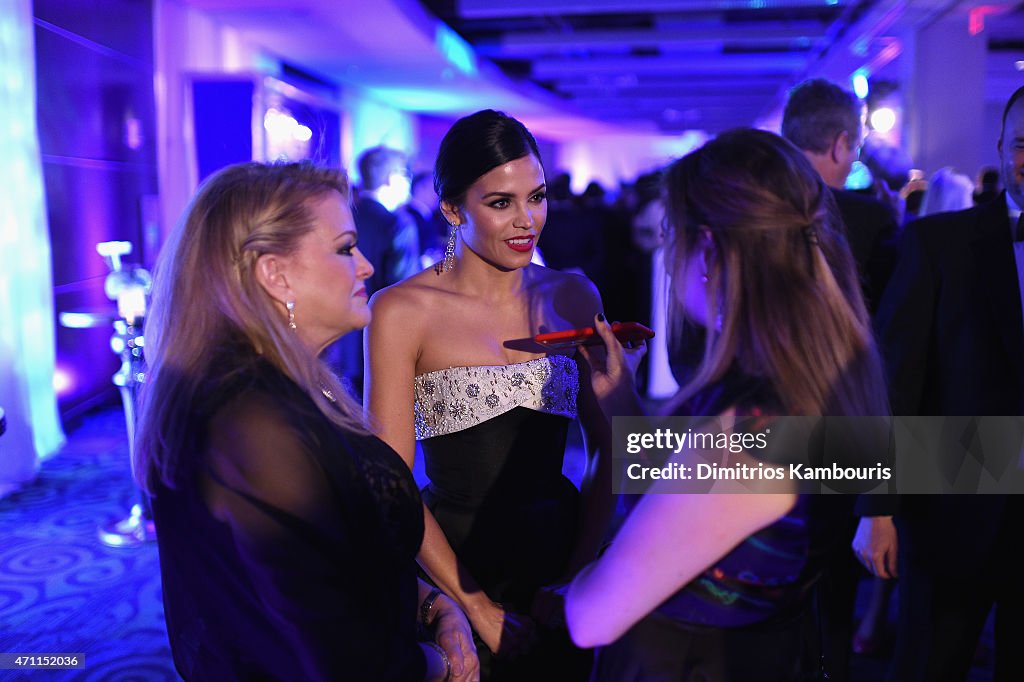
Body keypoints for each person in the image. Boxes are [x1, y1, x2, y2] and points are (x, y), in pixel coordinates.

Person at [564, 128, 890, 681]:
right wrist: (622, 406)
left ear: (710, 249)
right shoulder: (828, 368)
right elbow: (704, 522)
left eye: (672, 236)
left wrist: (575, 579)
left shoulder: (751, 428)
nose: (667, 258)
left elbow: (590, 618)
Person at [134, 161, 478, 681]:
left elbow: (329, 559)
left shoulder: (289, 383)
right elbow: (333, 654)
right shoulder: (250, 419)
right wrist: (442, 664)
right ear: (275, 273)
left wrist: (430, 604)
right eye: (344, 248)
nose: (365, 266)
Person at [365, 110, 611, 681]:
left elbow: (610, 447)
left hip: (563, 546)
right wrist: (473, 604)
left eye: (538, 196)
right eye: (500, 202)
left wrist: (580, 571)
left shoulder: (572, 294)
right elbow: (392, 484)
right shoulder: (401, 311)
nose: (528, 220)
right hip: (455, 556)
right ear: (452, 209)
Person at [865, 85, 1024, 682]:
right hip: (951, 513)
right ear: (1002, 148)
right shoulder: (939, 242)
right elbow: (894, 380)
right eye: (1022, 145)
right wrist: (876, 509)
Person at [782, 77, 900, 314]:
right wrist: (897, 225)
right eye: (854, 149)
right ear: (840, 144)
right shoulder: (870, 217)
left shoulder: (754, 205)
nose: (853, 161)